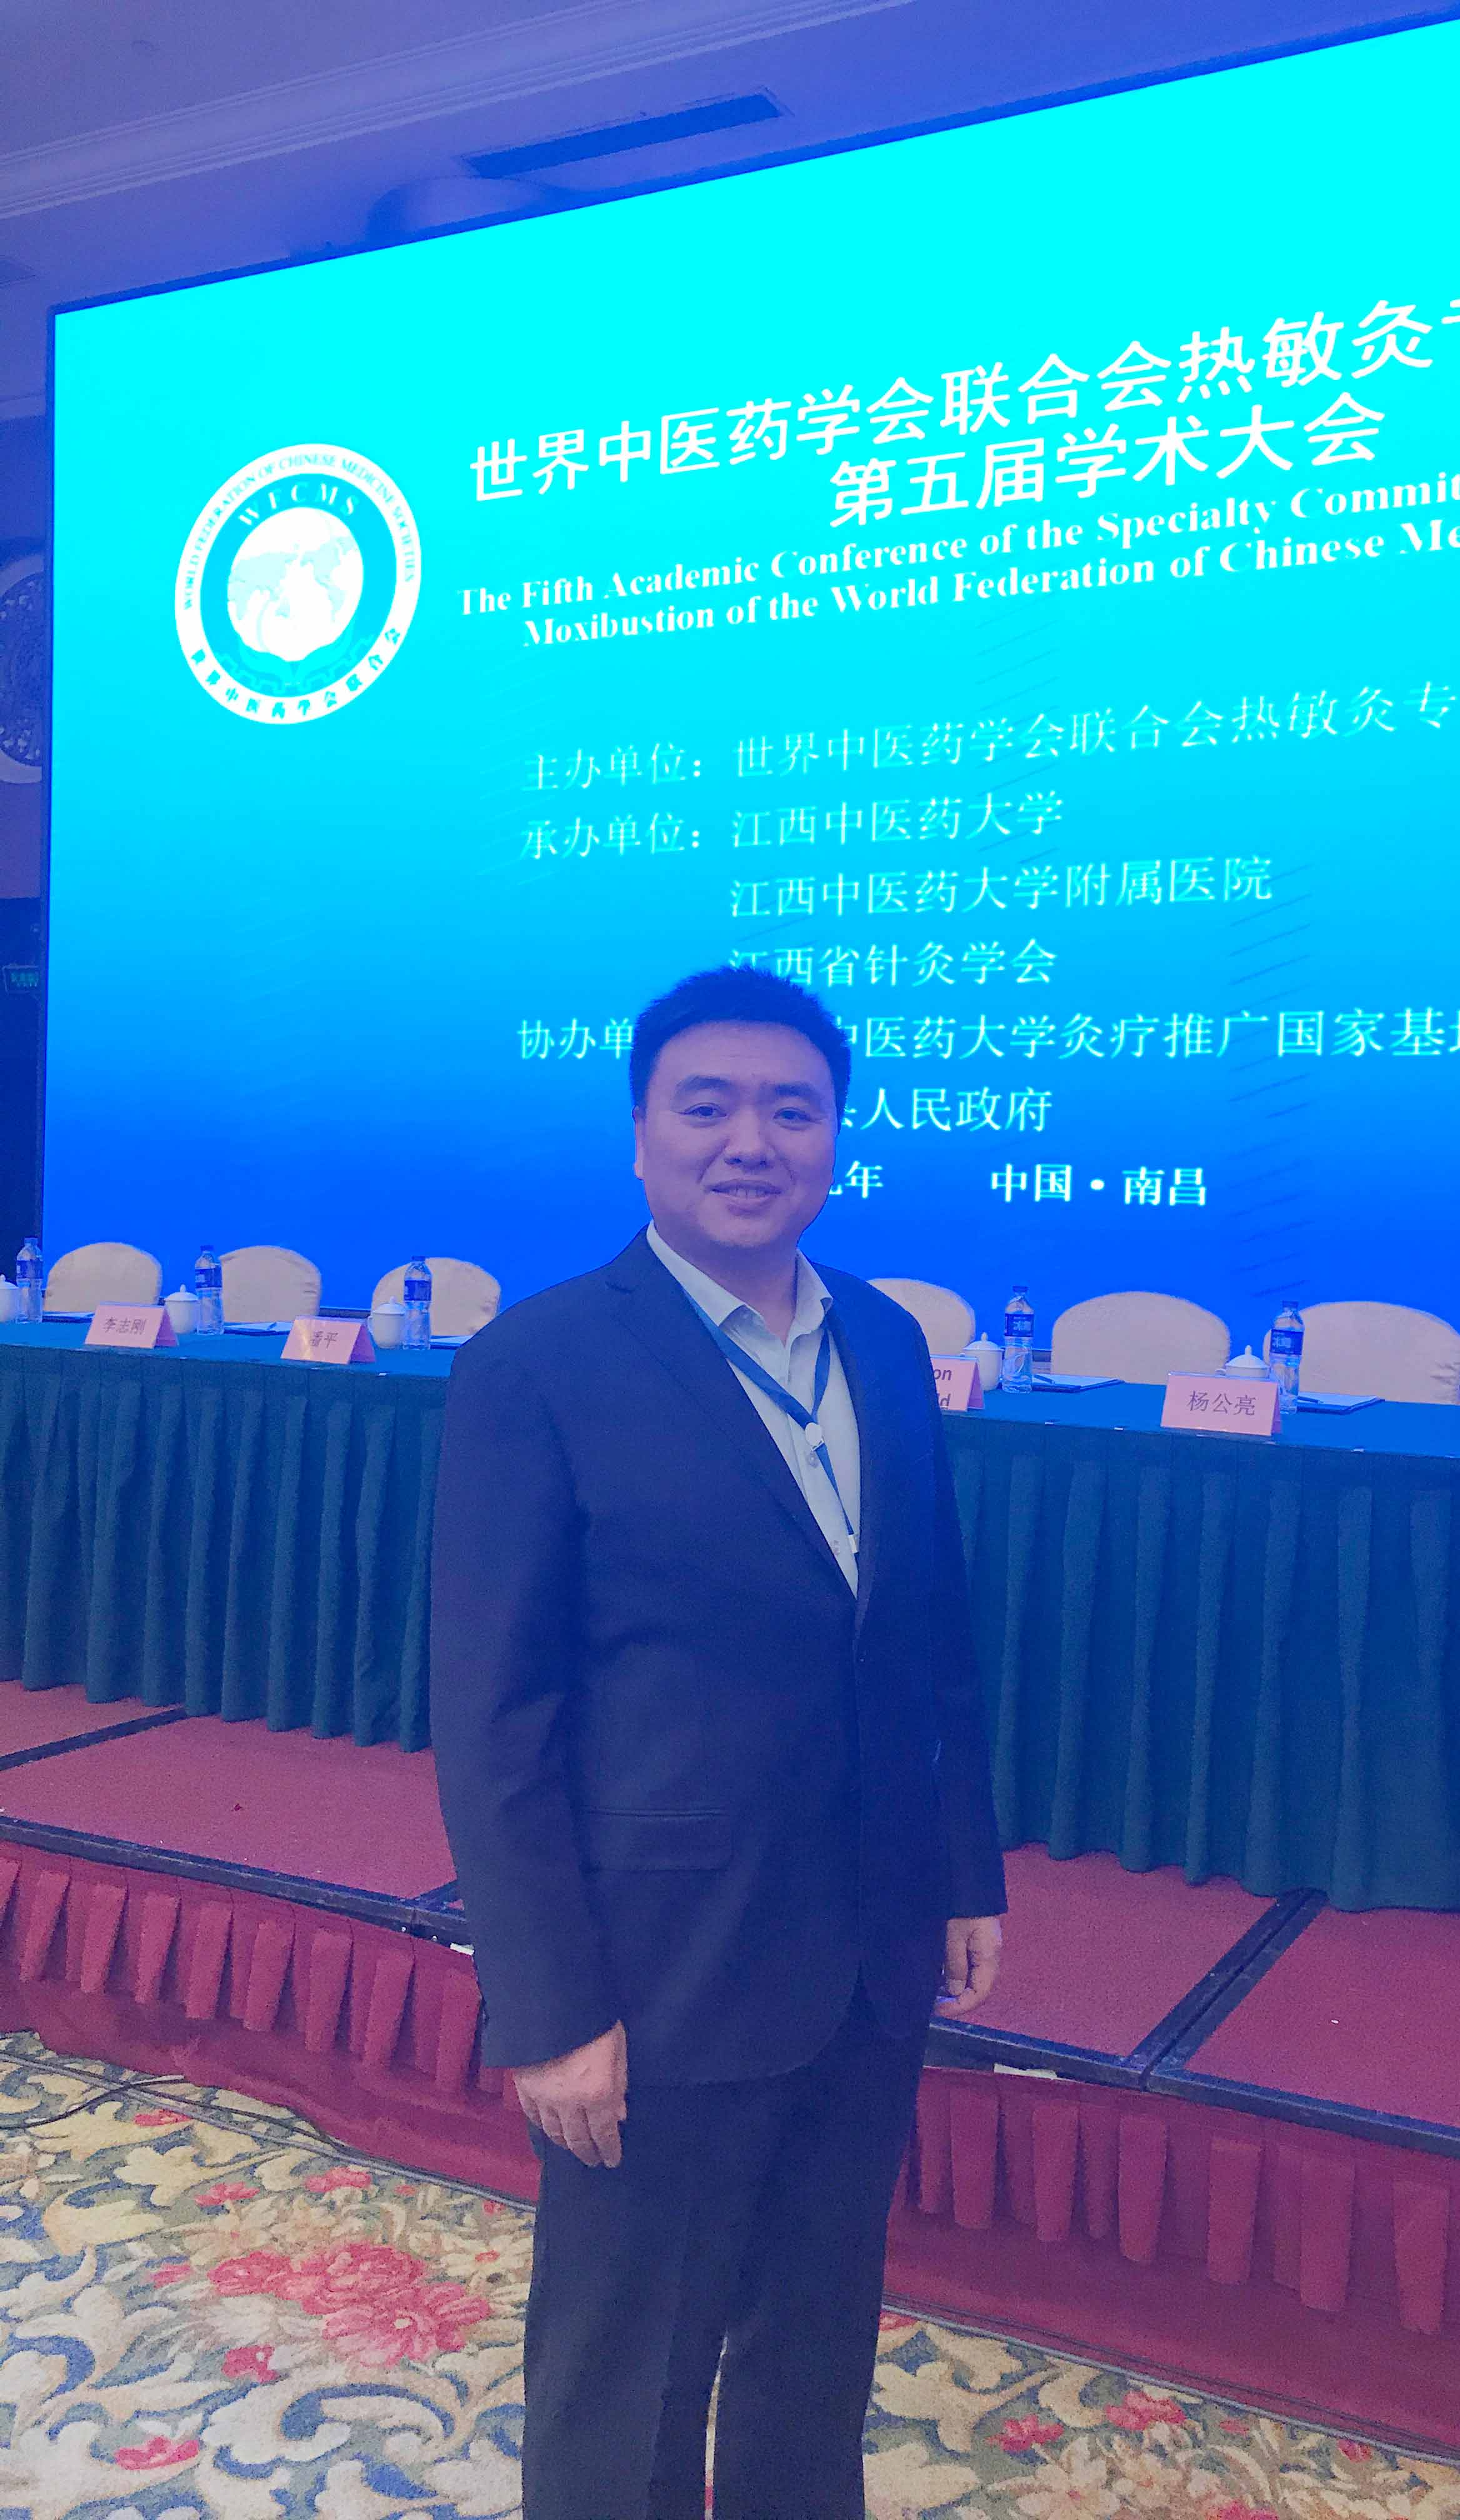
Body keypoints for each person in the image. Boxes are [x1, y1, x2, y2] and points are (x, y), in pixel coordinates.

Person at [429, 964, 1007, 2520]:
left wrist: (964, 1871)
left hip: (869, 1946)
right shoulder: (537, 1365)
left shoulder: (885, 1338)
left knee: (815, 2343)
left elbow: (929, 1635)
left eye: (792, 1110)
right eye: (708, 1107)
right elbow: (493, 1717)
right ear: (641, 1138)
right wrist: (547, 2004)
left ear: (835, 1139)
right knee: (630, 2368)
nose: (752, 1141)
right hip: (659, 1966)